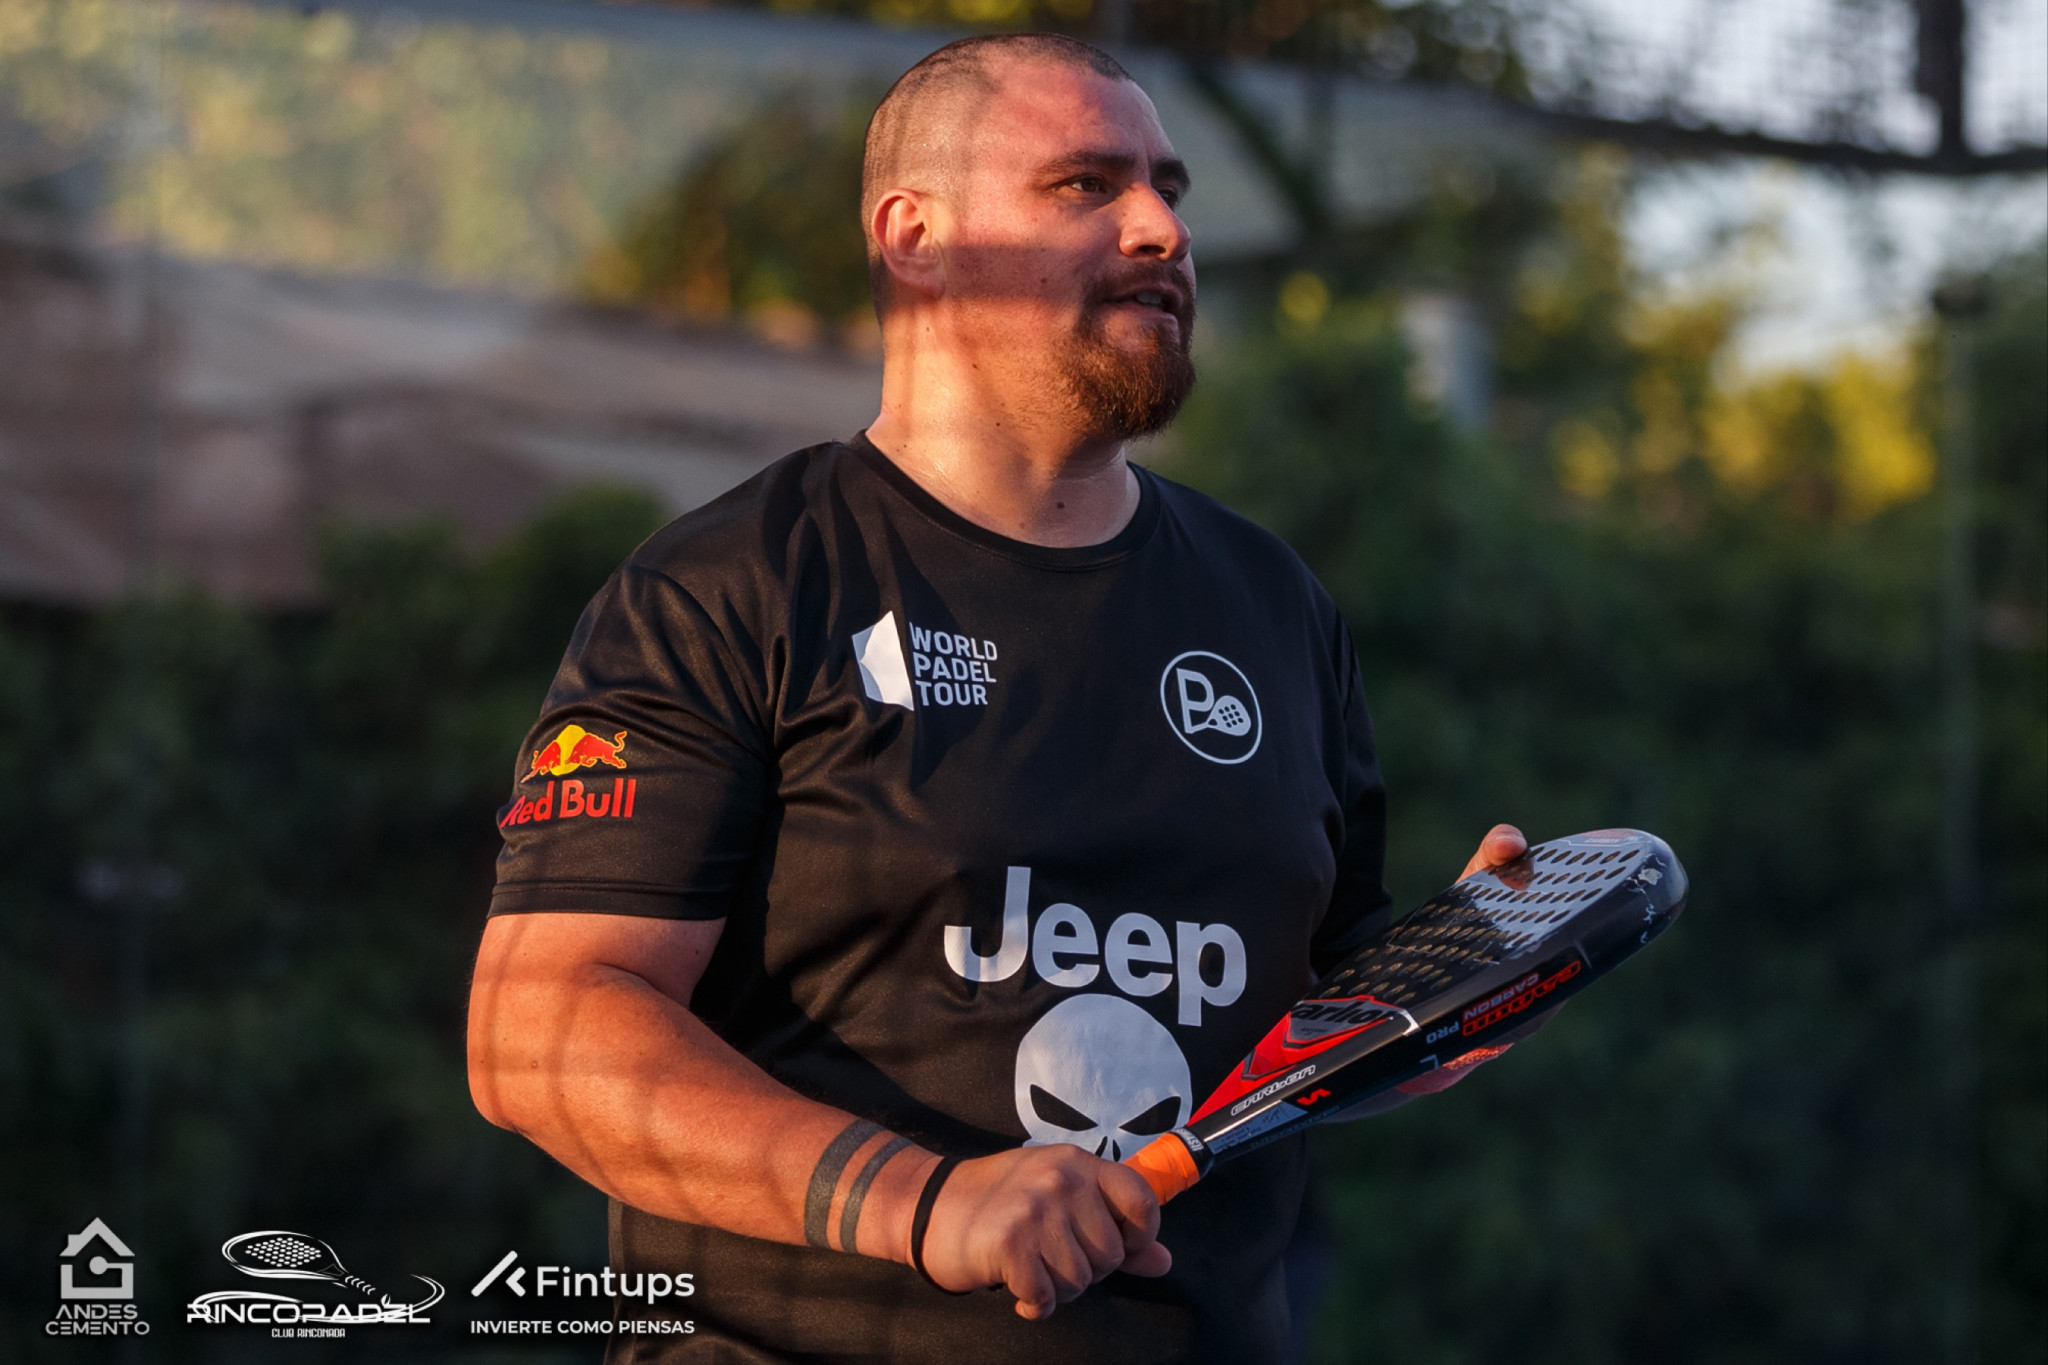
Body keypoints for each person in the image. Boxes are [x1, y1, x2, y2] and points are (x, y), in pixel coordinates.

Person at [467, 32, 1526, 1364]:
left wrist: (1445, 1003)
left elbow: (1313, 1017)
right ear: (917, 238)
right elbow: (538, 1032)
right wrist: (926, 1203)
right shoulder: (732, 586)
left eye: (1170, 188)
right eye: (1087, 184)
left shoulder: (1275, 603)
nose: (1161, 228)